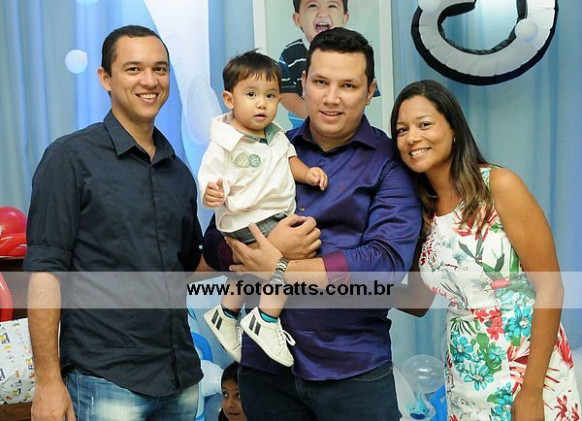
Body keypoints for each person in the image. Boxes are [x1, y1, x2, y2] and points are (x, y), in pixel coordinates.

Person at [204, 27, 422, 421]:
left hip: (352, 369)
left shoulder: (390, 163)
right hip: (265, 372)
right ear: (303, 83)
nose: (331, 97)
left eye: (348, 85)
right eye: (321, 82)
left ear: (370, 91)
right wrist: (268, 244)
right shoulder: (266, 147)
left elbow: (385, 264)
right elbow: (215, 245)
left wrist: (280, 266)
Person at [24, 25, 210, 420]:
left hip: (179, 379)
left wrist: (250, 239)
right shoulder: (70, 159)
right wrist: (48, 382)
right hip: (105, 379)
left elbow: (187, 271)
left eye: (160, 69)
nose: (150, 81)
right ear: (105, 78)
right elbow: (45, 273)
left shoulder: (178, 172)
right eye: (133, 69)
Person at [391, 80, 581, 420]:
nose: (412, 138)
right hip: (467, 374)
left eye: (424, 124)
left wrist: (532, 392)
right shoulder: (420, 212)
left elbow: (551, 287)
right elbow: (418, 301)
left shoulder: (499, 186)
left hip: (526, 369)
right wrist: (345, 283)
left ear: (453, 128)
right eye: (402, 130)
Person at [199, 50, 328, 368]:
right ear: (229, 99)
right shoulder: (226, 140)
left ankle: (226, 312)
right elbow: (210, 175)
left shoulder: (276, 135)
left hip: (268, 215)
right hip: (246, 218)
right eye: (252, 95)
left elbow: (290, 161)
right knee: (289, 258)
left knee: (252, 266)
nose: (262, 104)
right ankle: (265, 319)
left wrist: (308, 173)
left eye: (270, 96)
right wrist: (212, 192)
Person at [279, 0, 350, 123]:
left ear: (345, 18)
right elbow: (285, 93)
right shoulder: (291, 54)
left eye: (332, 6)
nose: (323, 13)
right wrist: (313, 115)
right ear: (297, 19)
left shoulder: (354, 54)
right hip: (303, 127)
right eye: (313, 6)